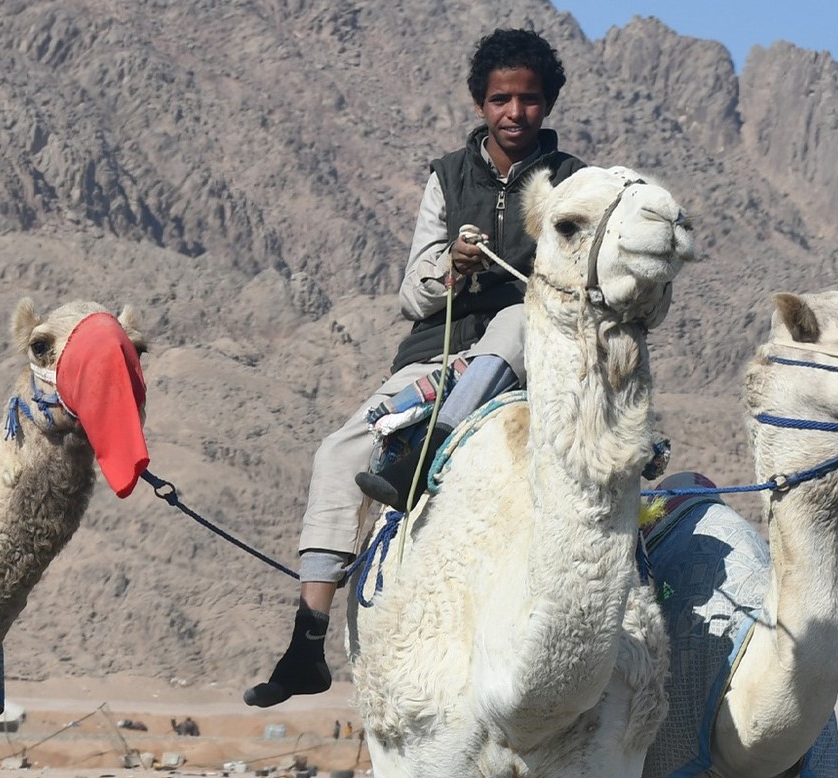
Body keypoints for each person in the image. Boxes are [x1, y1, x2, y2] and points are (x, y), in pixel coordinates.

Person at [244, 28, 586, 709]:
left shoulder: (578, 183)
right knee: (339, 451)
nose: (514, 113)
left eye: (528, 100)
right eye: (500, 100)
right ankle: (307, 639)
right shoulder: (446, 176)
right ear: (478, 102)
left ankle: (424, 450)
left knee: (521, 319)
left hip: (531, 353)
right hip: (441, 353)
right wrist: (450, 270)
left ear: (548, 103)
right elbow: (412, 293)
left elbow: (586, 280)